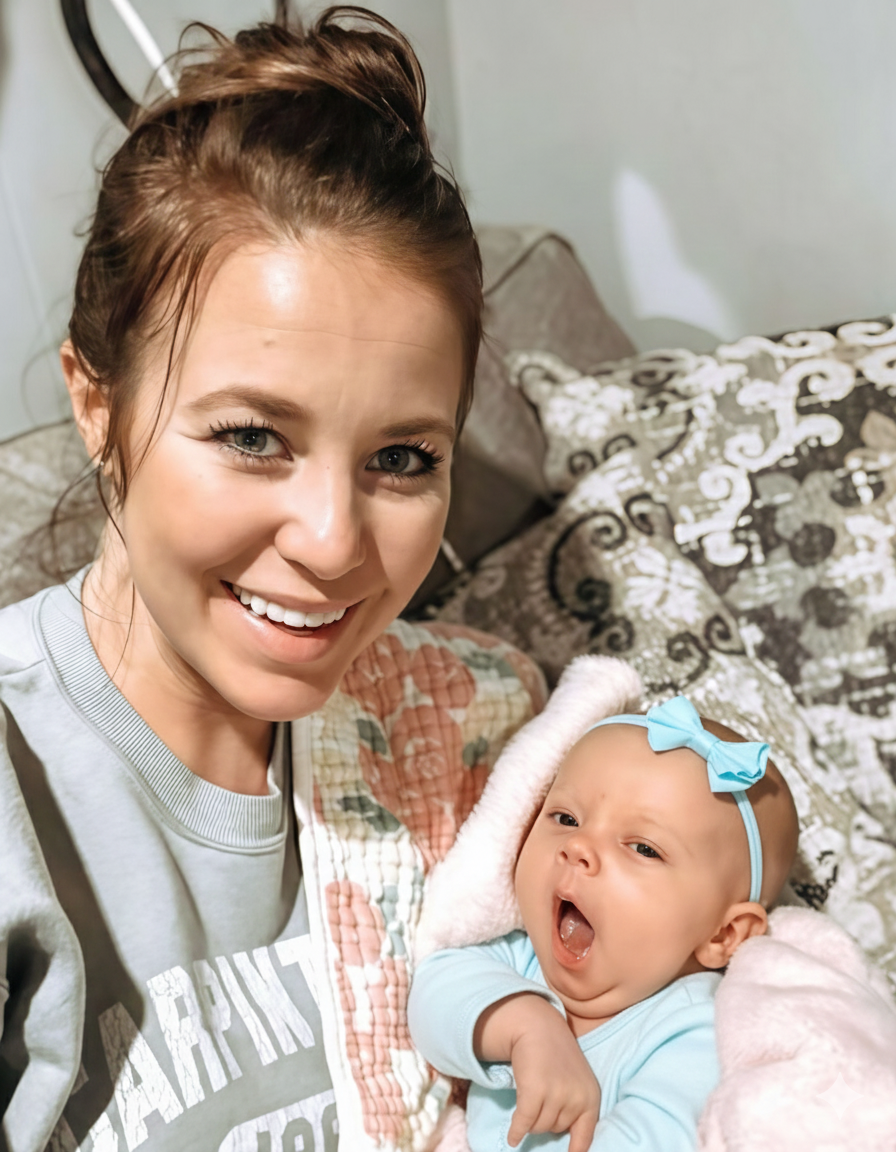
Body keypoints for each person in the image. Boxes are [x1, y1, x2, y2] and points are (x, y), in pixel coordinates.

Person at [0, 9, 545, 1151]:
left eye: (404, 458)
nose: (334, 543)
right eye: (252, 437)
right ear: (97, 407)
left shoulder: (481, 733)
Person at [408, 661, 800, 1152]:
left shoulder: (692, 1033)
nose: (578, 847)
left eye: (643, 848)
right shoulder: (522, 959)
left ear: (724, 934)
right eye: (566, 818)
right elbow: (433, 991)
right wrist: (524, 1023)